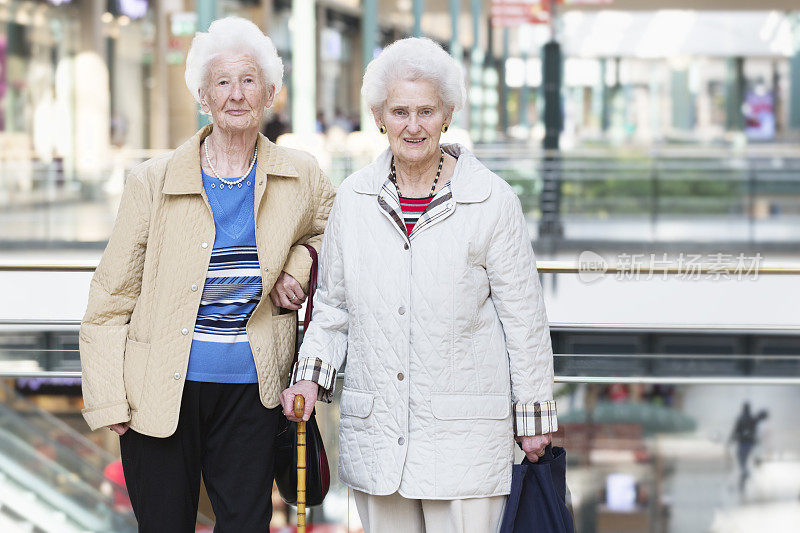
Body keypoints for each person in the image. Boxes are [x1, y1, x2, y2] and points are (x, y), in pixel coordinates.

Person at [280, 37, 557, 533]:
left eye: (426, 111)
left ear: (448, 114)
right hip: (379, 441)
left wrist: (534, 417)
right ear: (378, 115)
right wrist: (311, 375)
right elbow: (333, 308)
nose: (413, 126)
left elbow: (525, 322)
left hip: (465, 446)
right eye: (400, 111)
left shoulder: (491, 200)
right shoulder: (353, 200)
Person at [79, 17, 335, 532]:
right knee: (164, 523)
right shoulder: (151, 181)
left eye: (248, 82)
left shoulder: (301, 174)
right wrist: (108, 398)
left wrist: (300, 262)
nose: (236, 95)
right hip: (158, 389)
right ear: (202, 94)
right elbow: (110, 298)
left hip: (253, 387)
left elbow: (337, 234)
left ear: (270, 93)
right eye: (222, 82)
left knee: (245, 522)